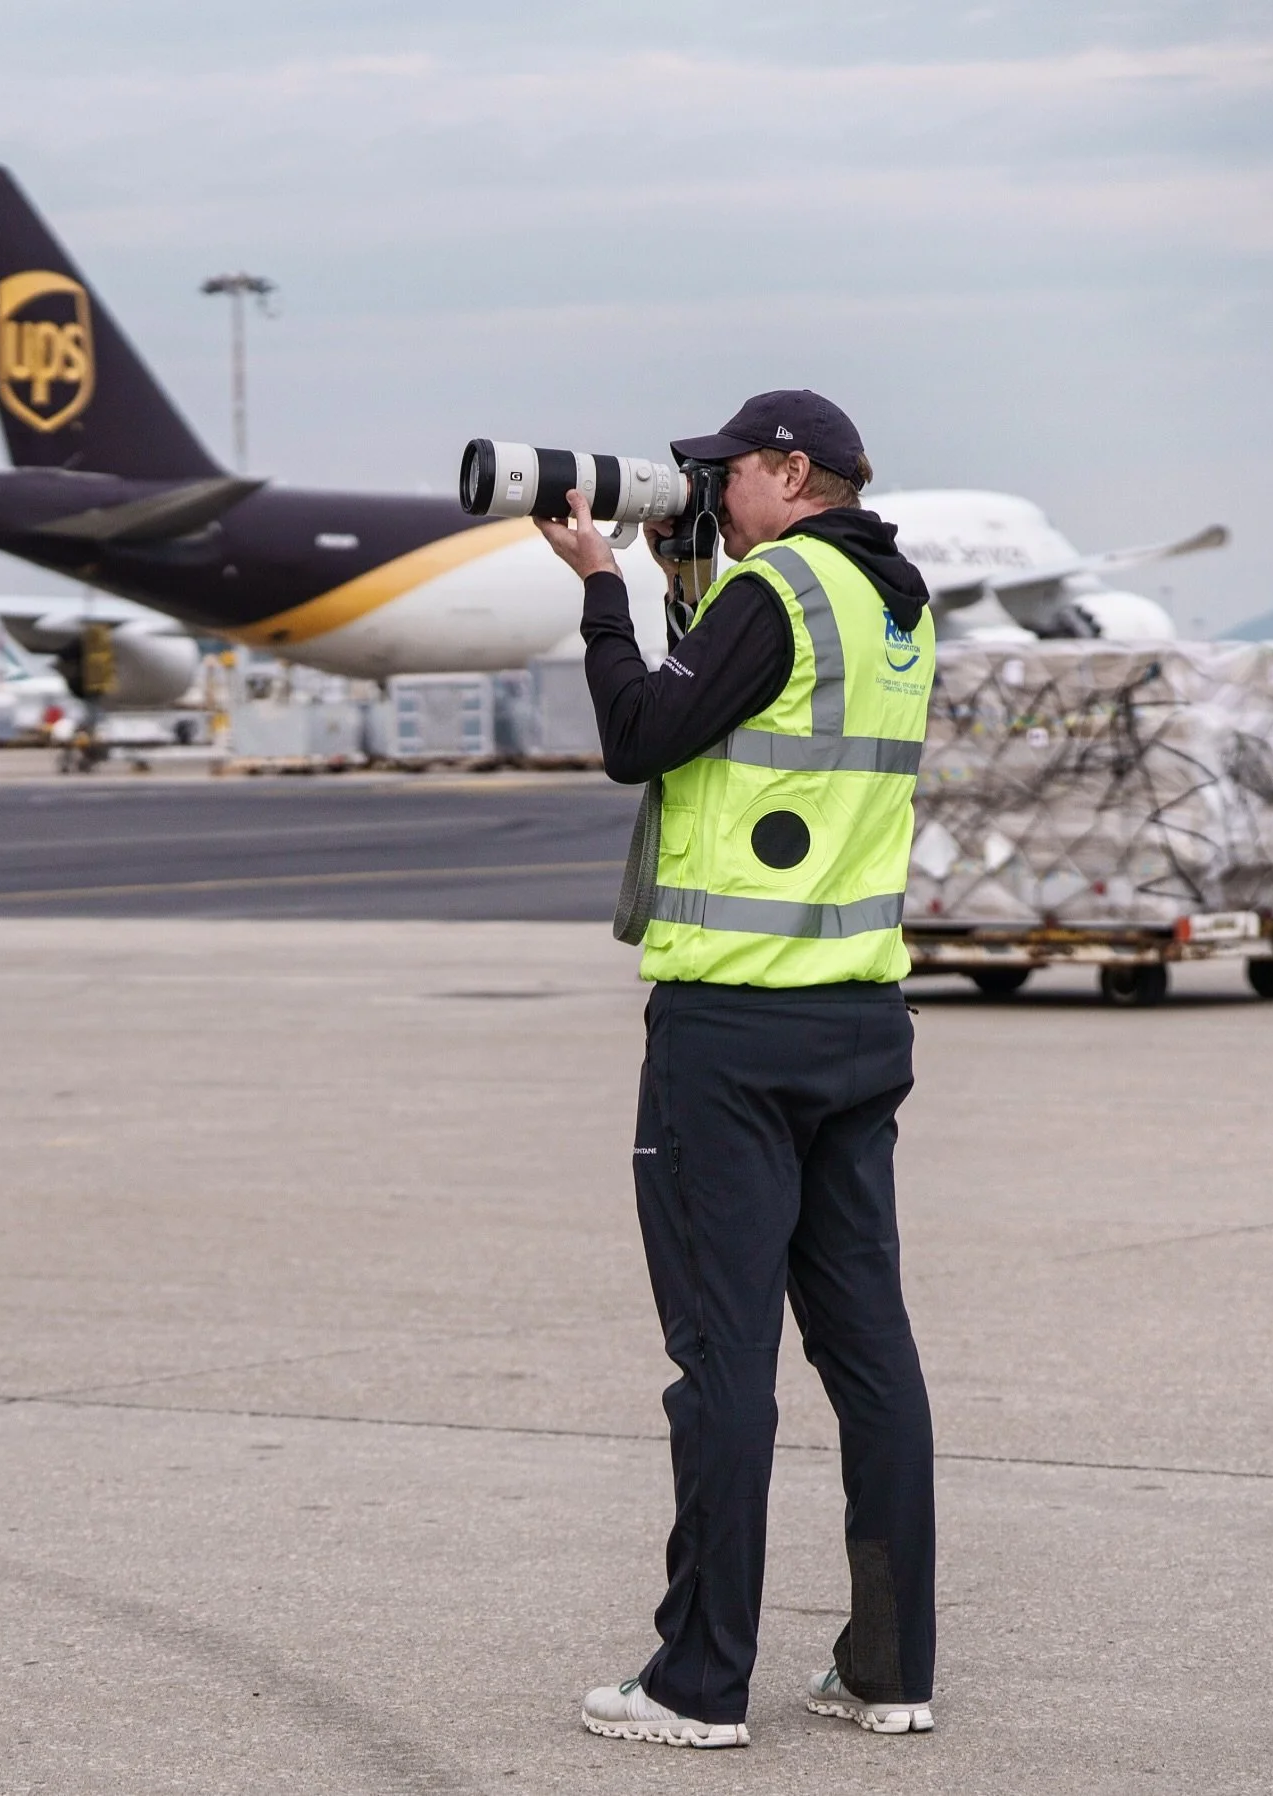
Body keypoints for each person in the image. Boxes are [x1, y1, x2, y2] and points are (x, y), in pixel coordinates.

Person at [534, 390, 937, 1749]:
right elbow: (757, 722)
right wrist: (687, 586)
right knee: (870, 1353)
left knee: (722, 1359)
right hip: (860, 1021)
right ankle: (889, 1669)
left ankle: (696, 1685)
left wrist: (603, 593)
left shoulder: (779, 588)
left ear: (789, 469)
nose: (714, 493)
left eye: (727, 474)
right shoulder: (894, 602)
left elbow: (641, 738)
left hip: (734, 1032)